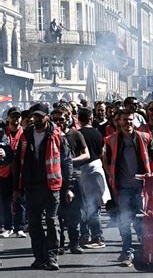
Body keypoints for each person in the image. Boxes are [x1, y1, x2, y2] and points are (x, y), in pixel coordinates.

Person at [13, 103, 73, 270]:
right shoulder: (26, 135)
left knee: (51, 221)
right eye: (34, 116)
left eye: (39, 116)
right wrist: (17, 188)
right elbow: (18, 162)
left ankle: (52, 257)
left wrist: (68, 187)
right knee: (34, 224)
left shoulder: (57, 135)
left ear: (47, 117)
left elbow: (67, 162)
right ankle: (39, 257)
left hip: (51, 186)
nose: (36, 119)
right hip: (31, 187)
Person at [103, 109, 153, 267]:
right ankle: (127, 252)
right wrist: (111, 175)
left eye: (130, 120)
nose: (128, 123)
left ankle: (144, 251)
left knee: (141, 221)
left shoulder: (144, 137)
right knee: (124, 220)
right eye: (125, 120)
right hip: (123, 188)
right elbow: (104, 159)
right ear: (118, 122)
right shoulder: (111, 140)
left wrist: (152, 175)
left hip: (141, 187)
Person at [51, 107, 90, 255]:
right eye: (55, 119)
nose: (59, 122)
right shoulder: (51, 136)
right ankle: (59, 244)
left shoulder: (75, 134)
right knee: (58, 214)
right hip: (56, 179)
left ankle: (74, 243)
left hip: (74, 178)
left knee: (74, 213)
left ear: (67, 118)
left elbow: (86, 155)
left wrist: (70, 161)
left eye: (61, 118)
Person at [78, 108, 110, 249]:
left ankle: (97, 237)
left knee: (90, 207)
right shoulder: (98, 133)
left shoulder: (78, 134)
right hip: (97, 170)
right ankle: (87, 236)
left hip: (86, 171)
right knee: (92, 206)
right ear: (91, 118)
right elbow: (101, 152)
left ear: (79, 119)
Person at [0, 107, 26, 238]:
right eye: (13, 116)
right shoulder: (2, 133)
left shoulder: (25, 133)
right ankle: (8, 227)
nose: (15, 119)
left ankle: (20, 227)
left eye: (17, 116)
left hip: (21, 171)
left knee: (20, 199)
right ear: (8, 118)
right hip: (5, 171)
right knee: (5, 200)